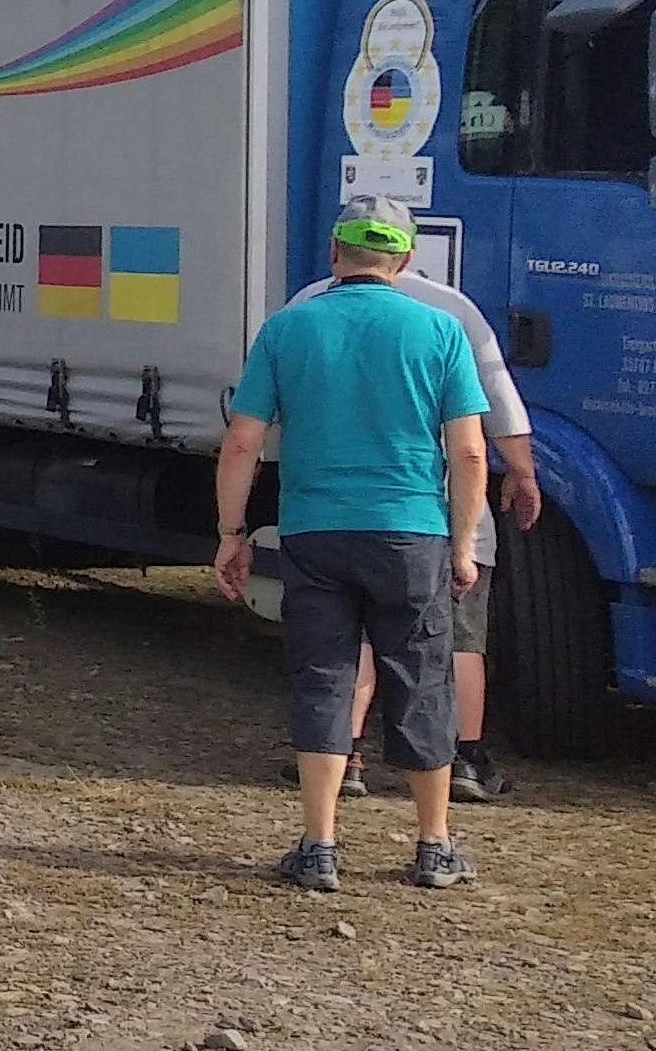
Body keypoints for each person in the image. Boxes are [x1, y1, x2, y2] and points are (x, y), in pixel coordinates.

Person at [213, 202, 490, 893]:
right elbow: (469, 453)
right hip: (411, 533)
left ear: (334, 252)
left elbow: (243, 440)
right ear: (404, 260)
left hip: (316, 530)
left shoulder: (288, 328)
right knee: (422, 680)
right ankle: (434, 845)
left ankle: (319, 846)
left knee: (324, 678)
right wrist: (462, 546)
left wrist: (231, 534)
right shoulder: (441, 330)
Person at [285, 248, 540, 803]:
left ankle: (345, 759)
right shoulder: (450, 312)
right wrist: (521, 472)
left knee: (347, 644)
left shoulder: (307, 305)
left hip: (332, 511)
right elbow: (495, 409)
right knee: (458, 640)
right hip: (435, 511)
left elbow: (264, 413)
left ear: (336, 251)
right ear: (404, 256)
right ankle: (464, 761)